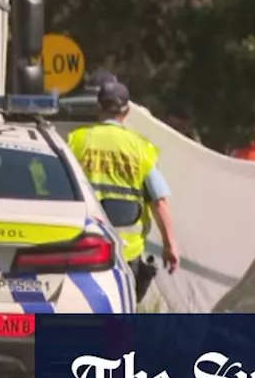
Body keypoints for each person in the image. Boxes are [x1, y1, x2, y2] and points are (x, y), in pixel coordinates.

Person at [67, 81, 180, 300]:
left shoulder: (76, 140)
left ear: (98, 108)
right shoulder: (141, 148)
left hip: (84, 246)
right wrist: (170, 245)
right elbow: (159, 201)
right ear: (126, 112)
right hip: (127, 251)